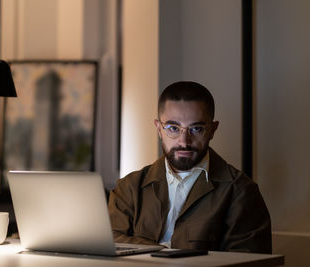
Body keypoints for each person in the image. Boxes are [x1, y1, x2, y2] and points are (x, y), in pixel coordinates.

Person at [108, 81, 271, 253]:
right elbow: (110, 243)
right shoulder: (129, 187)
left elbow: (248, 261)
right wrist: (163, 251)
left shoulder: (241, 191)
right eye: (173, 128)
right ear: (159, 129)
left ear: (212, 130)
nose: (184, 141)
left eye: (196, 129)